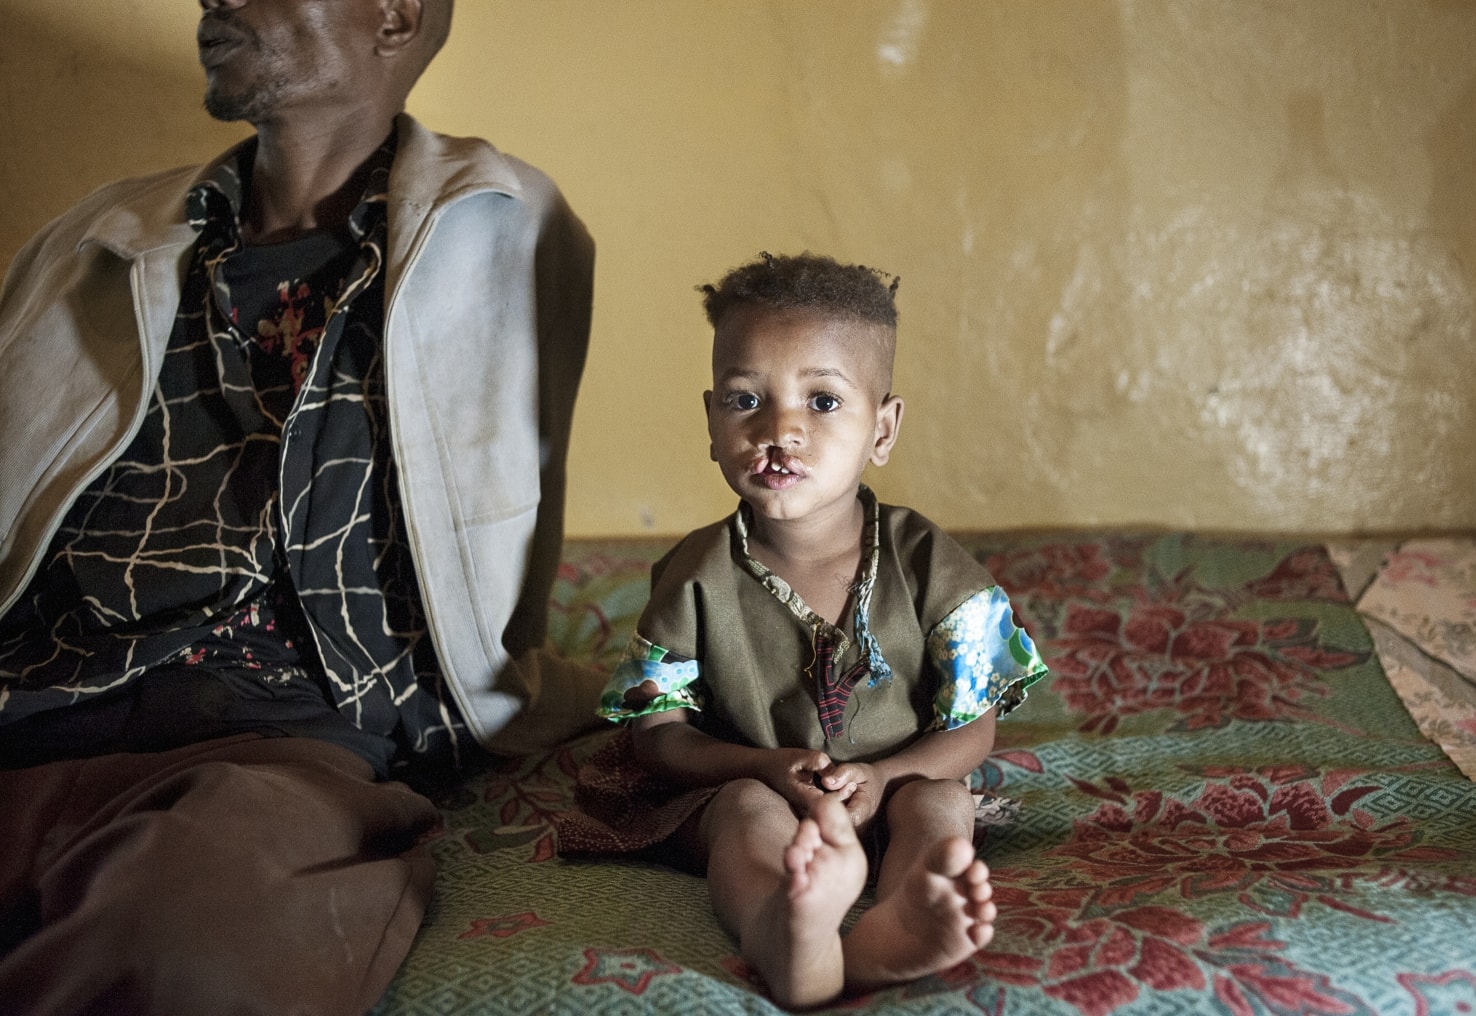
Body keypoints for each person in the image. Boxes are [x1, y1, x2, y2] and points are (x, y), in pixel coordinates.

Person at [0, 0, 597, 1012]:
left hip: (269, 740)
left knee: (183, 948)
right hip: (34, 704)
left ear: (397, 15)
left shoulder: (499, 223)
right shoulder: (97, 238)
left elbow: (505, 533)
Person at [554, 252, 1048, 1008]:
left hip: (895, 782)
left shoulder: (930, 567)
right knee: (745, 820)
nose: (778, 430)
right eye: (744, 399)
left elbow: (972, 731)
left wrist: (883, 778)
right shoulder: (695, 576)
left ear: (882, 430)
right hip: (751, 785)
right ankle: (785, 932)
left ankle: (894, 922)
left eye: (822, 402)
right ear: (711, 423)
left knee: (941, 803)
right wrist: (764, 767)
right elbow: (660, 739)